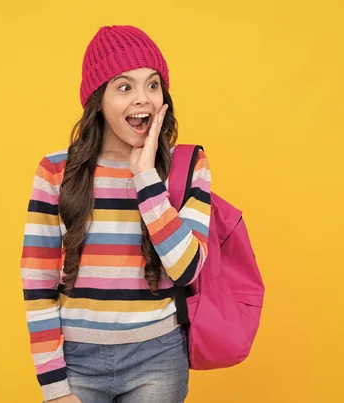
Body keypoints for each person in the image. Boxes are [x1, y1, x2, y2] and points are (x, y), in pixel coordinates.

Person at [20, 25, 211, 403]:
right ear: (98, 100)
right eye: (125, 87)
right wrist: (55, 388)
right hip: (76, 364)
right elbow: (37, 283)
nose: (144, 99)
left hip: (158, 359)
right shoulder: (56, 171)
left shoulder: (187, 167)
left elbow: (187, 269)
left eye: (153, 85)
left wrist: (145, 177)